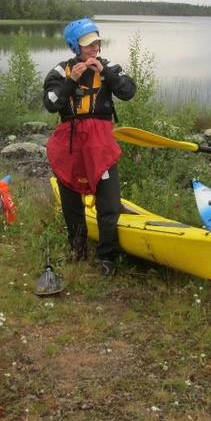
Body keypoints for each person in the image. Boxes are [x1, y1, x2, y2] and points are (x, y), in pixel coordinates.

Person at [43, 17, 136, 275]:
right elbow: (51, 103)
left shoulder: (110, 67)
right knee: (71, 202)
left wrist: (104, 72)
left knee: (108, 202)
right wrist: (71, 81)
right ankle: (78, 250)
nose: (94, 48)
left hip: (101, 145)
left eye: (96, 42)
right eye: (87, 44)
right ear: (75, 46)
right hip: (70, 146)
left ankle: (107, 258)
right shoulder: (60, 72)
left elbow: (128, 91)